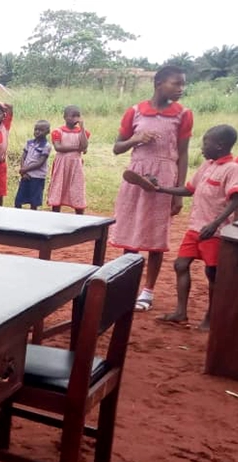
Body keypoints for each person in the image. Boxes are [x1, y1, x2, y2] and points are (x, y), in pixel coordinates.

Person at [124, 125, 238, 329]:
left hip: (215, 231)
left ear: (220, 145)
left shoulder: (232, 169)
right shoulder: (207, 165)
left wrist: (215, 224)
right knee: (180, 265)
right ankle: (180, 312)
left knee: (213, 273)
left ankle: (211, 318)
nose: (202, 148)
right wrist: (160, 189)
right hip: (195, 227)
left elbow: (235, 200)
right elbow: (188, 189)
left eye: (206, 143)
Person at [112, 65, 194, 312]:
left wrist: (178, 193)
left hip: (165, 177)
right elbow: (117, 148)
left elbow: (183, 153)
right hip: (135, 176)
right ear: (159, 83)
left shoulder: (183, 114)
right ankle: (126, 286)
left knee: (157, 235)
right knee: (130, 232)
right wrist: (135, 139)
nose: (181, 88)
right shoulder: (135, 112)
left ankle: (147, 291)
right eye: (176, 83)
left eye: (183, 84)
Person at [48, 105, 90, 214]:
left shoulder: (83, 132)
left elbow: (84, 146)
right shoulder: (58, 131)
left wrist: (82, 128)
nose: (76, 118)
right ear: (65, 117)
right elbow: (58, 147)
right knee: (59, 186)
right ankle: (55, 214)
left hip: (76, 165)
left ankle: (80, 215)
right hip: (61, 164)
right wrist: (77, 148)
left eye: (78, 116)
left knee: (77, 187)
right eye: (73, 116)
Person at [14, 121, 52, 210]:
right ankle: (17, 216)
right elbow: (23, 157)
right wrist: (23, 171)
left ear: (47, 132)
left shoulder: (46, 146)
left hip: (37, 177)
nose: (37, 132)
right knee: (18, 200)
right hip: (25, 175)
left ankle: (33, 216)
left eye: (41, 130)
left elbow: (40, 163)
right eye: (36, 129)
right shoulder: (29, 143)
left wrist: (25, 169)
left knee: (34, 202)